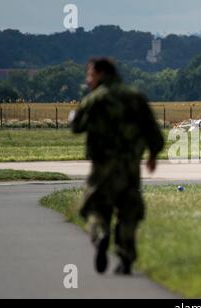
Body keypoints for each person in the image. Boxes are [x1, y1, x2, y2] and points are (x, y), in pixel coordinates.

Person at [70, 58, 164, 275]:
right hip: (130, 165)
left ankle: (101, 234)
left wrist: (73, 117)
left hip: (102, 166)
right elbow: (153, 130)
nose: (88, 79)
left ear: (101, 74)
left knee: (94, 208)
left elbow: (76, 127)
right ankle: (125, 258)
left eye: (90, 74)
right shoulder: (135, 97)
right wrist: (153, 155)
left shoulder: (94, 99)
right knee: (128, 211)